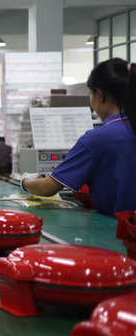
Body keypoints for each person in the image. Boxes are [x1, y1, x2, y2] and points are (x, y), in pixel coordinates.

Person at [21, 58, 136, 217]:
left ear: (100, 95)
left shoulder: (97, 139)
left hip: (122, 229)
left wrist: (25, 181)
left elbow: (47, 188)